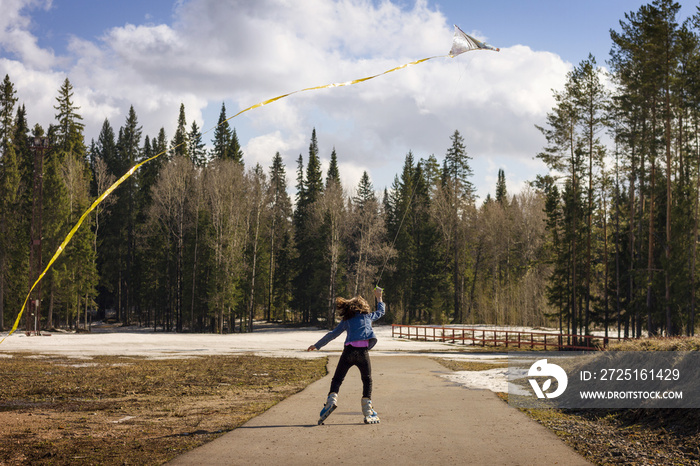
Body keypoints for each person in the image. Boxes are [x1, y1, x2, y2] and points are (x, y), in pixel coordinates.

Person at [307, 287, 385, 425]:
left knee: (337, 379)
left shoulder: (347, 320)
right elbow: (381, 311)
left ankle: (331, 402)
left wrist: (317, 345)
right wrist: (379, 297)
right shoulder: (368, 316)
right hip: (362, 353)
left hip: (349, 352)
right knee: (367, 380)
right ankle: (367, 410)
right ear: (363, 307)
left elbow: (333, 333)